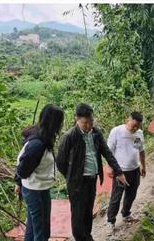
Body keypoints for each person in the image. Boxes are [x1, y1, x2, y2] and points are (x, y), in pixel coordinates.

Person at [56, 103, 128, 241]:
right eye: (85, 123)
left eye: (91, 122)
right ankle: (81, 238)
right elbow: (60, 161)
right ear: (77, 119)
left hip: (91, 179)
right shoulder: (70, 136)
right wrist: (72, 176)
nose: (88, 126)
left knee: (88, 211)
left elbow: (107, 153)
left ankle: (88, 236)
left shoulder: (96, 133)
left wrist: (119, 172)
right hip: (77, 183)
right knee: (78, 213)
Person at [15, 104, 65, 241]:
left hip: (41, 187)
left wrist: (19, 181)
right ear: (54, 122)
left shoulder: (44, 137)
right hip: (33, 189)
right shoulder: (38, 144)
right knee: (41, 230)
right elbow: (23, 166)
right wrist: (19, 181)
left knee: (36, 226)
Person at [106, 112, 146, 236]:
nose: (135, 129)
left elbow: (140, 150)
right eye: (133, 126)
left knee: (131, 194)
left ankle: (126, 214)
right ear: (127, 120)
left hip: (134, 169)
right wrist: (110, 167)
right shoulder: (117, 131)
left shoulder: (138, 134)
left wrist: (143, 166)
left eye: (138, 127)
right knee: (116, 197)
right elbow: (109, 151)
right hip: (120, 171)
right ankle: (110, 221)